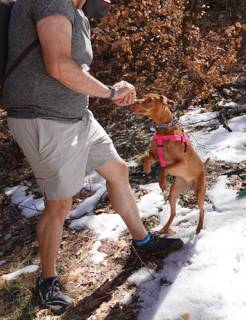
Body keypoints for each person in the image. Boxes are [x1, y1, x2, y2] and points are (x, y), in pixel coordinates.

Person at [3, 0, 183, 314]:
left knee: (117, 170)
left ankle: (142, 241)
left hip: (77, 116)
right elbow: (58, 65)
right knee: (59, 203)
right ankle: (47, 281)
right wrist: (110, 93)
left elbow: (75, 69)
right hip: (43, 119)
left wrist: (107, 89)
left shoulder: (79, 13)